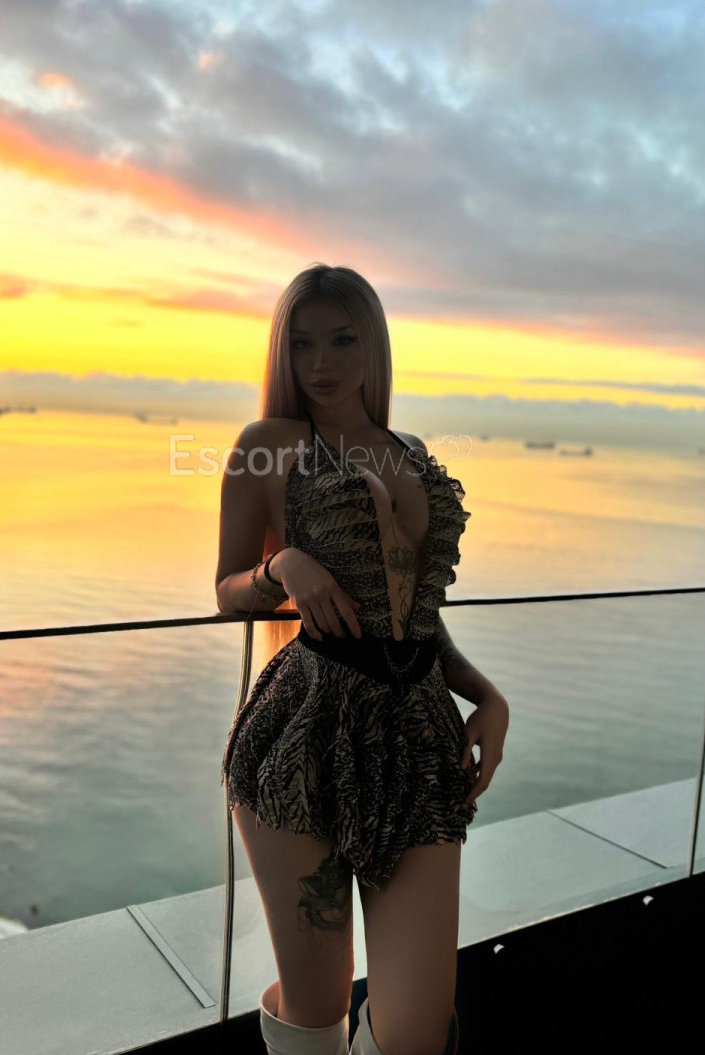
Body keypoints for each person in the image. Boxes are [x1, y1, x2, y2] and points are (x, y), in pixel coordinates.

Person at [216, 264, 510, 1055]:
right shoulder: (268, 446)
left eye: (342, 340)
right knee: (316, 1008)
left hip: (418, 742)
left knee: (416, 1032)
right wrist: (284, 567)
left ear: (373, 345)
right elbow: (226, 590)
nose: (320, 362)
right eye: (301, 343)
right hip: (302, 736)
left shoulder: (410, 452)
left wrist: (486, 694)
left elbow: (413, 618)